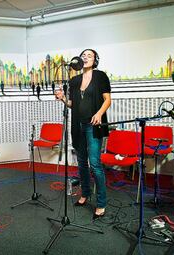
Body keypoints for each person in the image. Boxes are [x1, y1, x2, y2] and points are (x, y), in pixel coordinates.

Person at [55, 49, 111, 219]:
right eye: (83, 55)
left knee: (95, 164)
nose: (85, 58)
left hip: (93, 125)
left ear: (95, 60)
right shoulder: (74, 80)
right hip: (77, 125)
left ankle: (101, 203)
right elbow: (73, 104)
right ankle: (85, 194)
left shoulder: (100, 76)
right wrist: (64, 98)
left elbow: (107, 99)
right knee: (81, 163)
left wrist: (99, 113)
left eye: (89, 56)